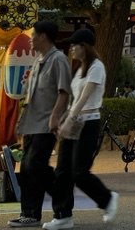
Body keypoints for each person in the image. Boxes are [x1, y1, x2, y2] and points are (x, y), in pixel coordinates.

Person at [50, 28, 117, 229]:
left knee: (79, 172)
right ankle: (62, 215)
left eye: (74, 45)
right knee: (62, 171)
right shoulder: (80, 69)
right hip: (75, 120)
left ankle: (107, 199)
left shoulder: (97, 67)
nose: (71, 48)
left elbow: (85, 97)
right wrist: (64, 118)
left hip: (88, 122)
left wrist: (70, 119)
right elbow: (74, 100)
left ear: (84, 46)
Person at [9, 20, 73, 229]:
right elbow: (30, 94)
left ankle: (63, 204)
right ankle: (29, 214)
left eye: (33, 35)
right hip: (31, 123)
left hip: (46, 123)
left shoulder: (59, 60)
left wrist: (55, 117)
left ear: (43, 36)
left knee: (34, 164)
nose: (31, 40)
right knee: (26, 169)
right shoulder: (38, 60)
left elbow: (64, 91)